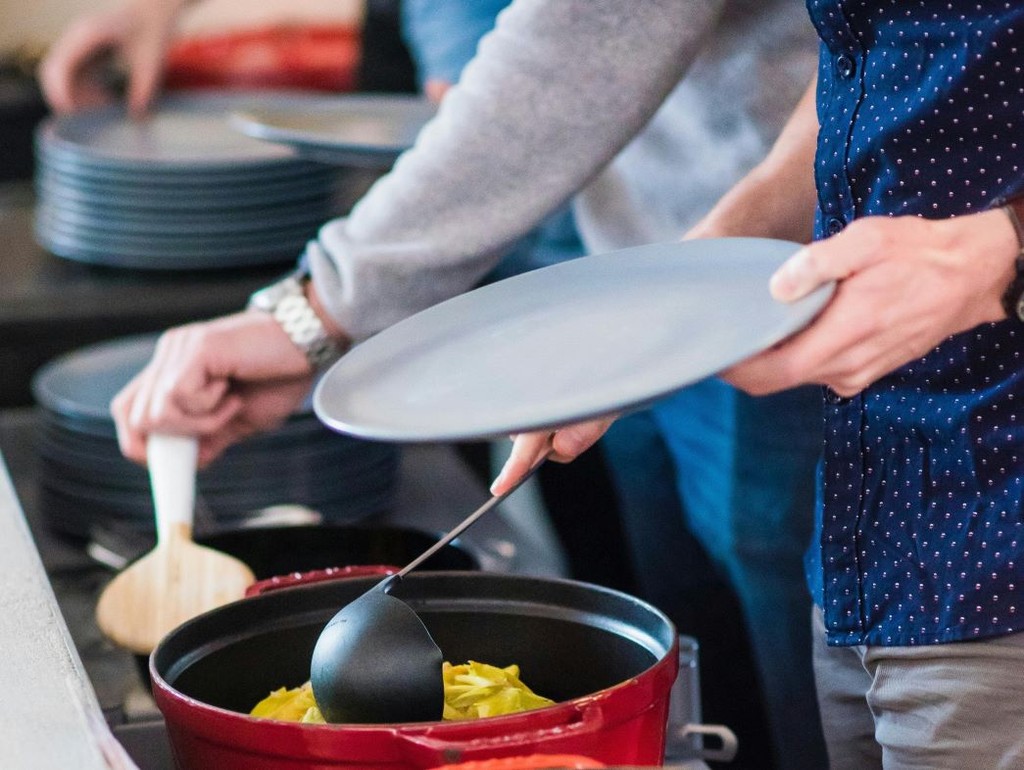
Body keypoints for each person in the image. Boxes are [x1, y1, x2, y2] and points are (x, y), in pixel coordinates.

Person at [41, 1, 827, 766]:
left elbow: (586, 34)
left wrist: (317, 311)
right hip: (642, 253)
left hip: (792, 272)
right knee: (702, 631)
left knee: (801, 664)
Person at [492, 4, 1024, 768]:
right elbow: (872, 76)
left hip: (1001, 534)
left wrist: (1003, 252)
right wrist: (670, 303)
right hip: (874, 519)